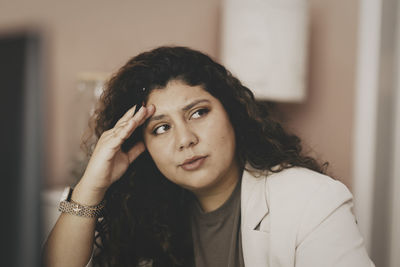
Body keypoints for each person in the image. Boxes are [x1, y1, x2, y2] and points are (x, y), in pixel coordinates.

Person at [43, 46, 375, 267]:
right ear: (141, 146)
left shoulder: (310, 200)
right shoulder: (144, 212)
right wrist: (91, 185)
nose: (185, 139)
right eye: (161, 128)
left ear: (232, 114)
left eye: (199, 112)